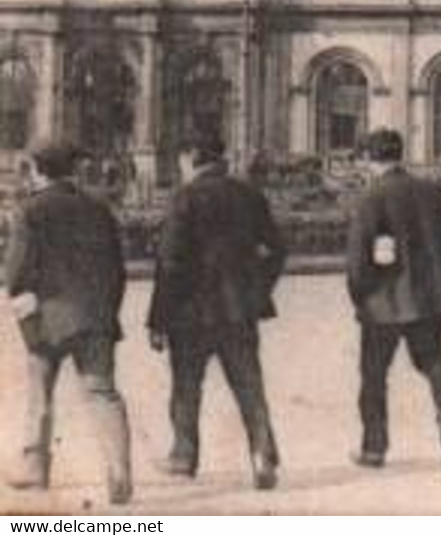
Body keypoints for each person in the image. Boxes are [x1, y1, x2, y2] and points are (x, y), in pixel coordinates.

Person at [146, 133, 285, 489]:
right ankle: (262, 453)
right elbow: (277, 249)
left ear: (191, 156)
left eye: (181, 159)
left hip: (191, 314)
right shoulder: (248, 194)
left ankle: (183, 456)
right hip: (239, 310)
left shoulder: (186, 197)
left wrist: (158, 319)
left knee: (187, 386)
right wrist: (258, 289)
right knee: (249, 385)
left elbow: (170, 262)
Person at [4, 144, 133, 505]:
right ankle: (119, 470)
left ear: (39, 171)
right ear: (71, 171)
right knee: (103, 393)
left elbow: (15, 274)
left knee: (40, 391)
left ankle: (36, 466)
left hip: (48, 318)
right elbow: (117, 269)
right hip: (95, 317)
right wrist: (107, 310)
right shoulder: (98, 208)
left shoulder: (29, 211)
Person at [345, 128, 441, 478]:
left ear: (370, 159)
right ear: (399, 154)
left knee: (373, 376)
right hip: (428, 301)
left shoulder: (371, 197)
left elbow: (358, 261)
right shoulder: (432, 192)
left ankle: (374, 448)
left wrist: (361, 296)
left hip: (383, 303)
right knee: (437, 368)